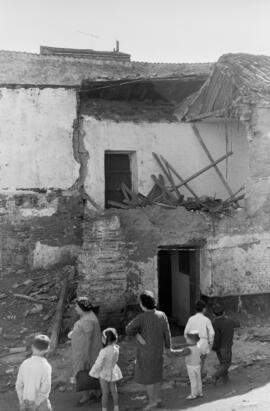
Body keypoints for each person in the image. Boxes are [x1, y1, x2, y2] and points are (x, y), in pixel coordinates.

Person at [126, 290, 172, 410]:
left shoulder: (141, 318)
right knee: (156, 376)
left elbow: (129, 329)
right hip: (158, 351)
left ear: (142, 304)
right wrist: (168, 347)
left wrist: (138, 336)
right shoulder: (162, 315)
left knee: (149, 379)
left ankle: (152, 402)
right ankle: (156, 398)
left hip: (146, 352)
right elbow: (167, 333)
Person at [68, 297, 102, 405]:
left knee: (82, 372)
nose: (75, 308)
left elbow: (89, 339)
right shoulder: (89, 316)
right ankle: (96, 392)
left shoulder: (87, 320)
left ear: (82, 308)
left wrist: (86, 356)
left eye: (77, 306)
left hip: (85, 353)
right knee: (92, 371)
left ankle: (86, 396)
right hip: (87, 351)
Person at [15, 334, 52, 411]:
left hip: (25, 401)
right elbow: (45, 389)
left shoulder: (25, 363)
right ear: (47, 349)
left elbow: (19, 385)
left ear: (32, 347)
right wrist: (36, 404)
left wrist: (21, 401)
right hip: (40, 403)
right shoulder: (46, 367)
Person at [90, 328, 122, 411]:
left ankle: (104, 409)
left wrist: (92, 372)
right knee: (114, 391)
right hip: (113, 370)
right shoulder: (116, 349)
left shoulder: (103, 351)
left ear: (105, 339)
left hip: (104, 372)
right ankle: (116, 407)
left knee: (105, 393)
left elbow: (98, 363)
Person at [184, 300, 215, 377]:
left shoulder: (191, 319)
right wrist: (210, 343)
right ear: (204, 309)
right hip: (203, 342)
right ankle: (199, 379)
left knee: (194, 363)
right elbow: (212, 333)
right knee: (201, 362)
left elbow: (185, 332)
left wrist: (189, 342)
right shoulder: (206, 319)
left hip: (193, 342)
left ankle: (194, 379)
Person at [171, 330, 202, 400]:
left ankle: (193, 394)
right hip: (198, 365)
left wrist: (173, 352)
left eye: (187, 339)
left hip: (191, 366)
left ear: (192, 340)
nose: (186, 340)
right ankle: (200, 392)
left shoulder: (188, 349)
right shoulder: (198, 346)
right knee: (198, 380)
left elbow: (182, 353)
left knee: (193, 380)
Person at [211, 304, 236, 383]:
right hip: (226, 346)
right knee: (226, 364)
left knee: (222, 363)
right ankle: (215, 376)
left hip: (218, 347)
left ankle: (225, 379)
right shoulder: (230, 321)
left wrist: (214, 347)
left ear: (213, 314)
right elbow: (237, 324)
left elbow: (216, 337)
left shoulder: (214, 323)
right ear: (224, 312)